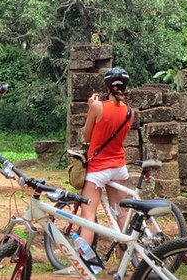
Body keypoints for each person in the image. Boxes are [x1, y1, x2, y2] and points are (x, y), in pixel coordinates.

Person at [79, 67, 134, 245]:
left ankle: (81, 262)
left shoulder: (97, 106)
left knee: (87, 214)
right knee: (120, 213)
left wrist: (90, 107)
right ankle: (125, 263)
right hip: (119, 167)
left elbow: (86, 136)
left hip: (98, 169)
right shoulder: (129, 112)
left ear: (107, 87)